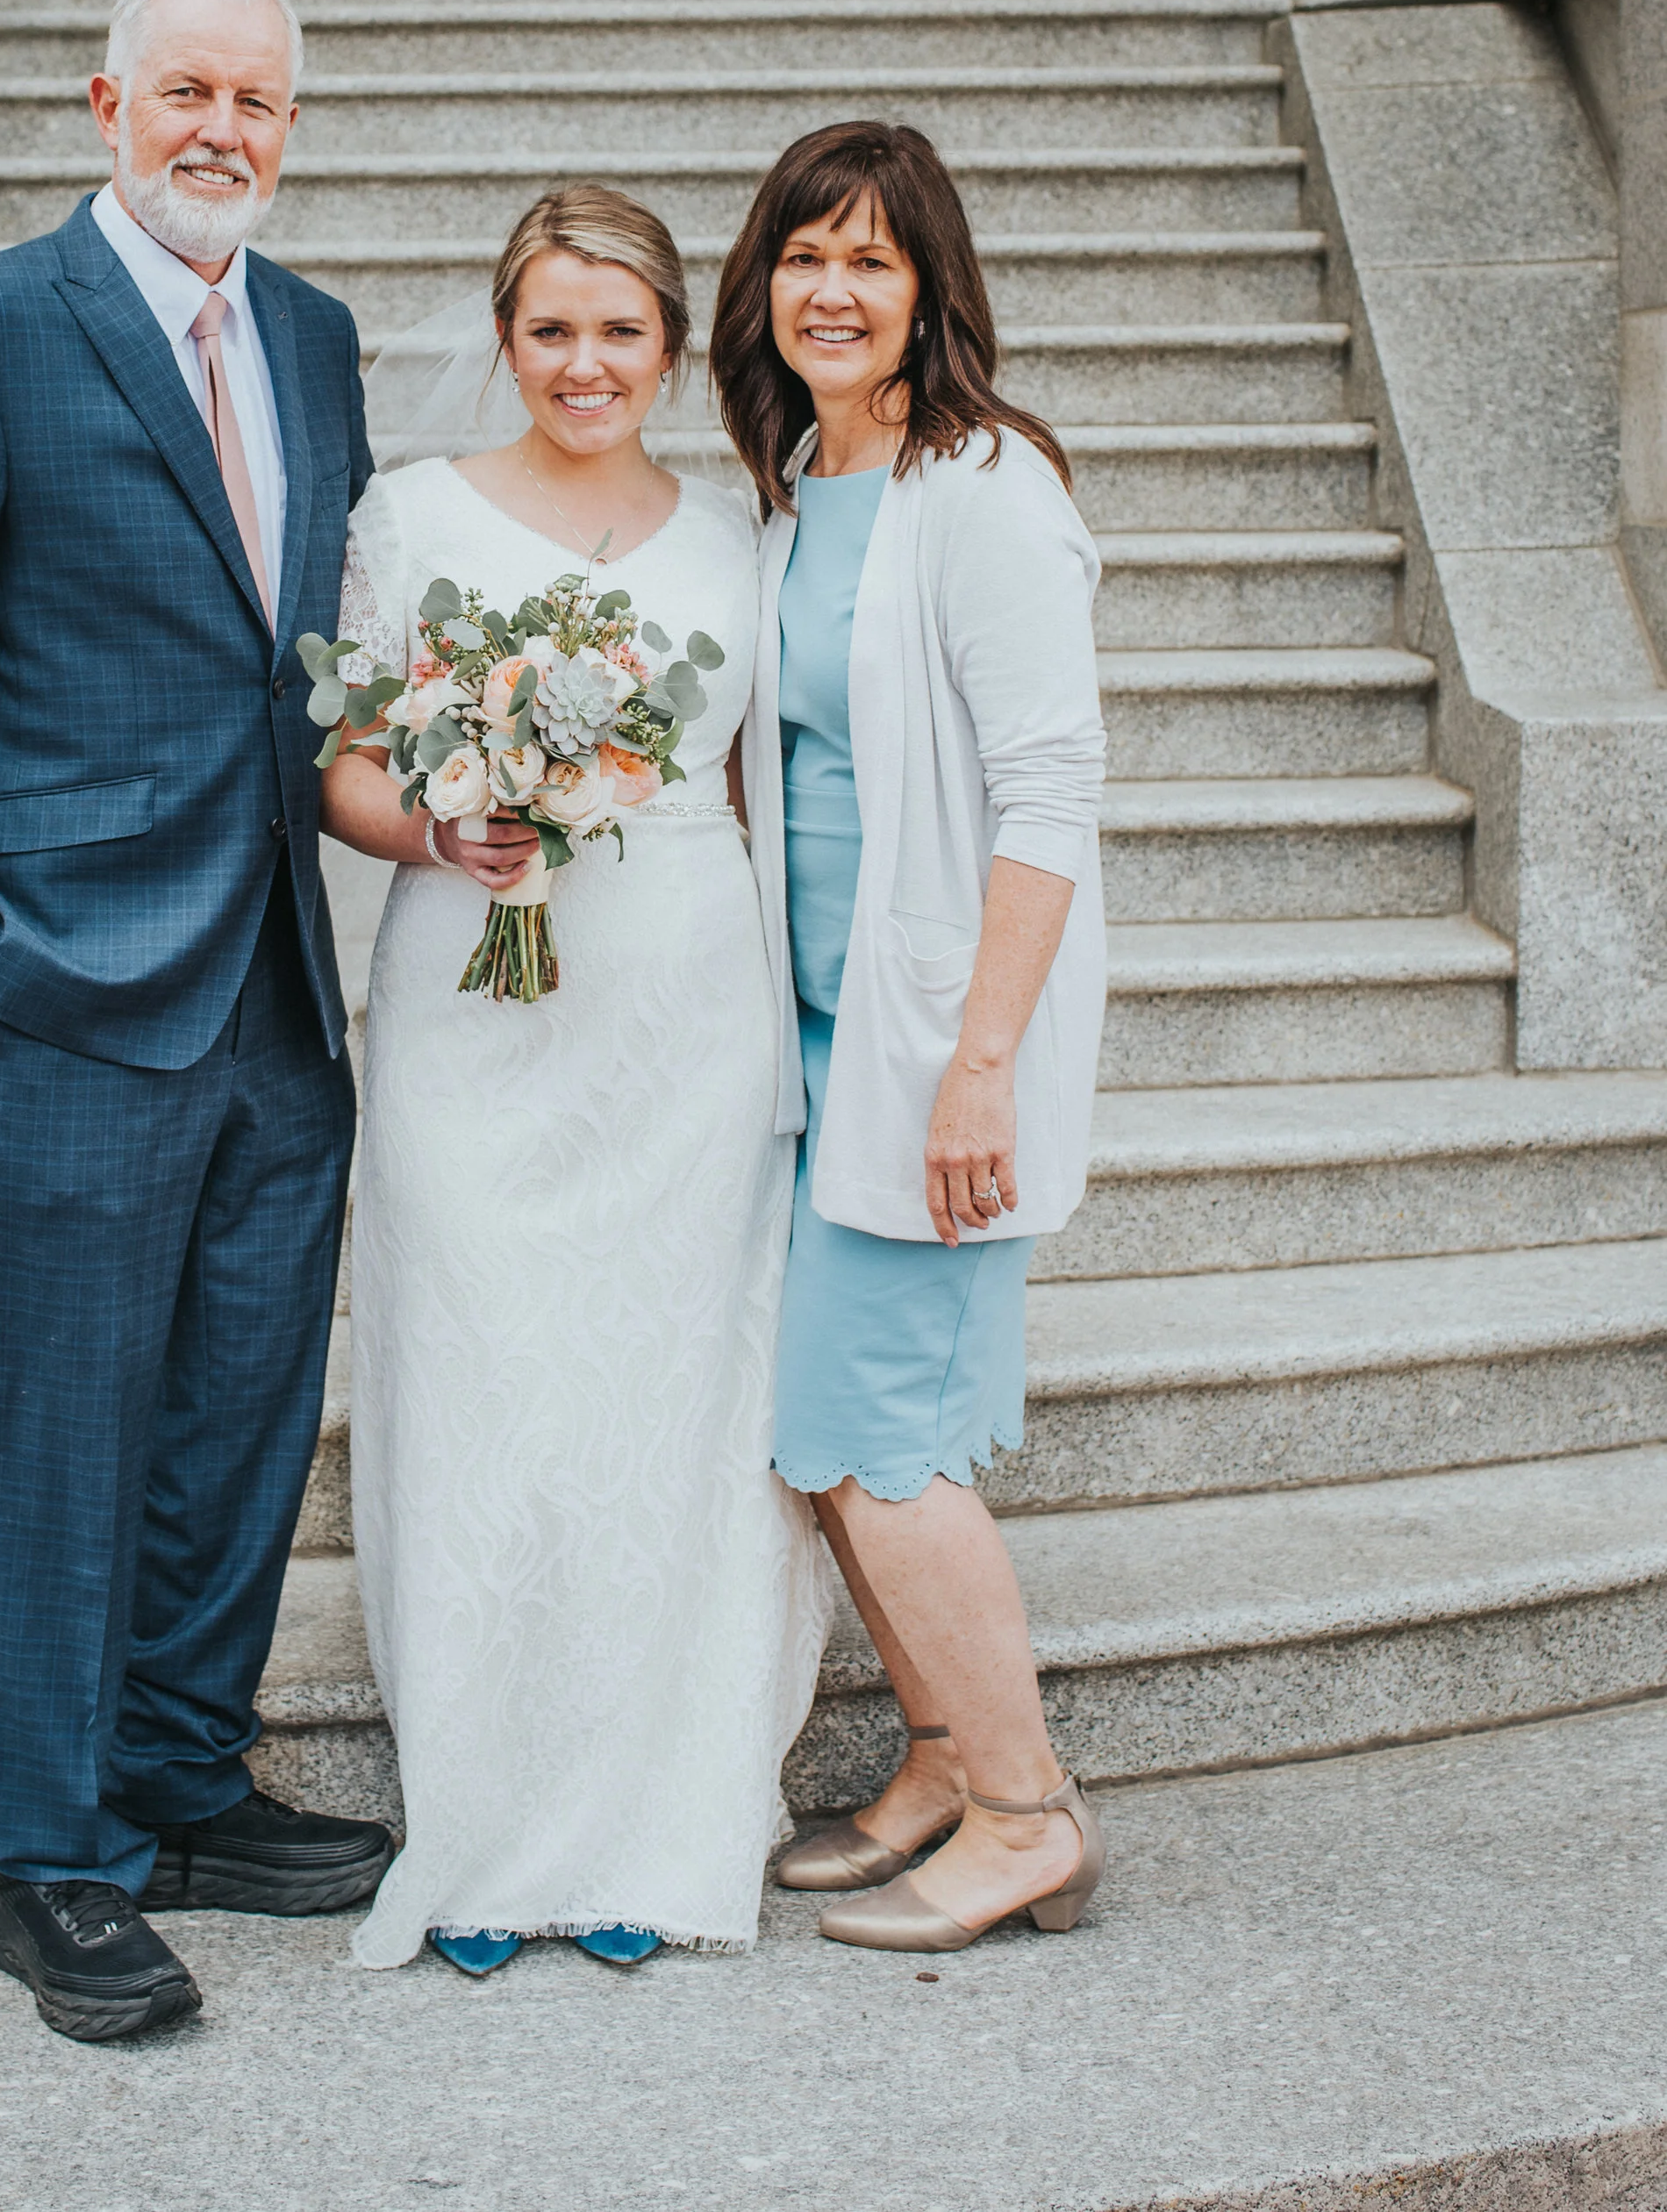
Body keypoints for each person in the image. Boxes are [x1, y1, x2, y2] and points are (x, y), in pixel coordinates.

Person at [0, 0, 394, 2043]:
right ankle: (52, 1854)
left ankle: (178, 1779)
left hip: (274, 993)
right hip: (60, 995)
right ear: (104, 103)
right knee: (70, 1435)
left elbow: (293, 655)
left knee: (234, 1424)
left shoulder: (316, 340)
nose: (222, 130)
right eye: (187, 94)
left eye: (259, 101)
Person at [322, 187, 828, 1973]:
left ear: (673, 346)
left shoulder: (737, 533)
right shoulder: (411, 515)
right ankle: (481, 1833)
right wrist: (446, 815)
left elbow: (769, 789)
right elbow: (348, 776)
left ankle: (652, 1824)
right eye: (549, 329)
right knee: (486, 1396)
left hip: (680, 1012)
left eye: (617, 331)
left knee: (668, 1413)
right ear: (506, 334)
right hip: (474, 1004)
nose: (581, 364)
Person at [711, 119, 1109, 1957]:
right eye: (805, 255)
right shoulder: (799, 484)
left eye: (872, 259)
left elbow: (1046, 795)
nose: (834, 290)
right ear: (762, 286)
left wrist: (976, 1064)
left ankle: (1024, 1810)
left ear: (928, 288)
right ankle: (941, 1756)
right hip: (808, 1036)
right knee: (829, 1436)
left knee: (875, 1433)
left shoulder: (983, 486)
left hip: (934, 1048)